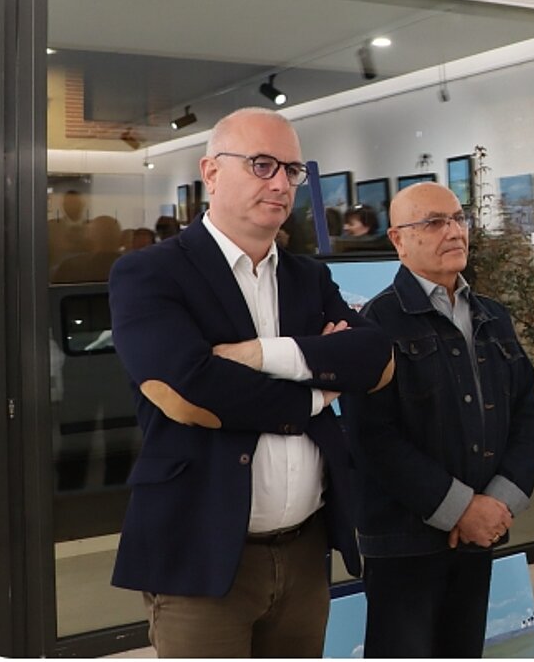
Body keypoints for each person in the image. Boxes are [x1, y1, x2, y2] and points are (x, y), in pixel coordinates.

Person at [108, 107, 393, 657]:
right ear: (211, 172)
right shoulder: (152, 272)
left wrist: (266, 354)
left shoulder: (308, 276)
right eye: (263, 165)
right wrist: (318, 387)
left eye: (292, 170)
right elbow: (190, 389)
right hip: (202, 549)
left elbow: (374, 357)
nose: (281, 183)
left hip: (308, 548)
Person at [342, 182, 534, 658]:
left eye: (458, 218)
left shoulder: (492, 315)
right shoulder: (375, 323)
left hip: (479, 534)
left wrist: (497, 504)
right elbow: (372, 437)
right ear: (398, 240)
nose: (453, 231)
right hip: (404, 540)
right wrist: (460, 510)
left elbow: (525, 410)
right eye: (434, 222)